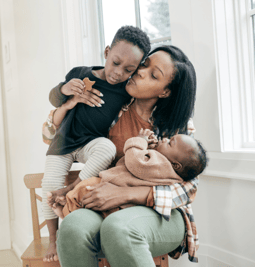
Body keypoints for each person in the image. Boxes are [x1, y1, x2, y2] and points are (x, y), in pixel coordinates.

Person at [44, 45, 200, 266]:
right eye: (144, 64)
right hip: (104, 205)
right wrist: (70, 103)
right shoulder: (112, 105)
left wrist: (127, 195)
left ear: (165, 91)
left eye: (154, 75)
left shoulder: (177, 126)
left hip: (161, 214)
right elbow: (50, 135)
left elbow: (190, 188)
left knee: (119, 228)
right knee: (72, 228)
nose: (140, 71)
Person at [41, 25, 151, 262]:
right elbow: (53, 97)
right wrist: (65, 89)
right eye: (116, 62)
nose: (118, 72)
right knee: (49, 184)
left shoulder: (126, 91)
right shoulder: (81, 73)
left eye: (128, 70)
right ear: (107, 51)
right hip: (63, 141)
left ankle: (71, 190)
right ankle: (52, 238)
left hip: (91, 143)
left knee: (107, 149)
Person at [51, 129, 207, 219]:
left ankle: (65, 210)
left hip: (114, 187)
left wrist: (139, 142)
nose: (165, 138)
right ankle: (67, 208)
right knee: (86, 197)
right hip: (124, 202)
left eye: (170, 142)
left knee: (85, 188)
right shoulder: (167, 171)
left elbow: (135, 162)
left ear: (175, 164)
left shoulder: (161, 164)